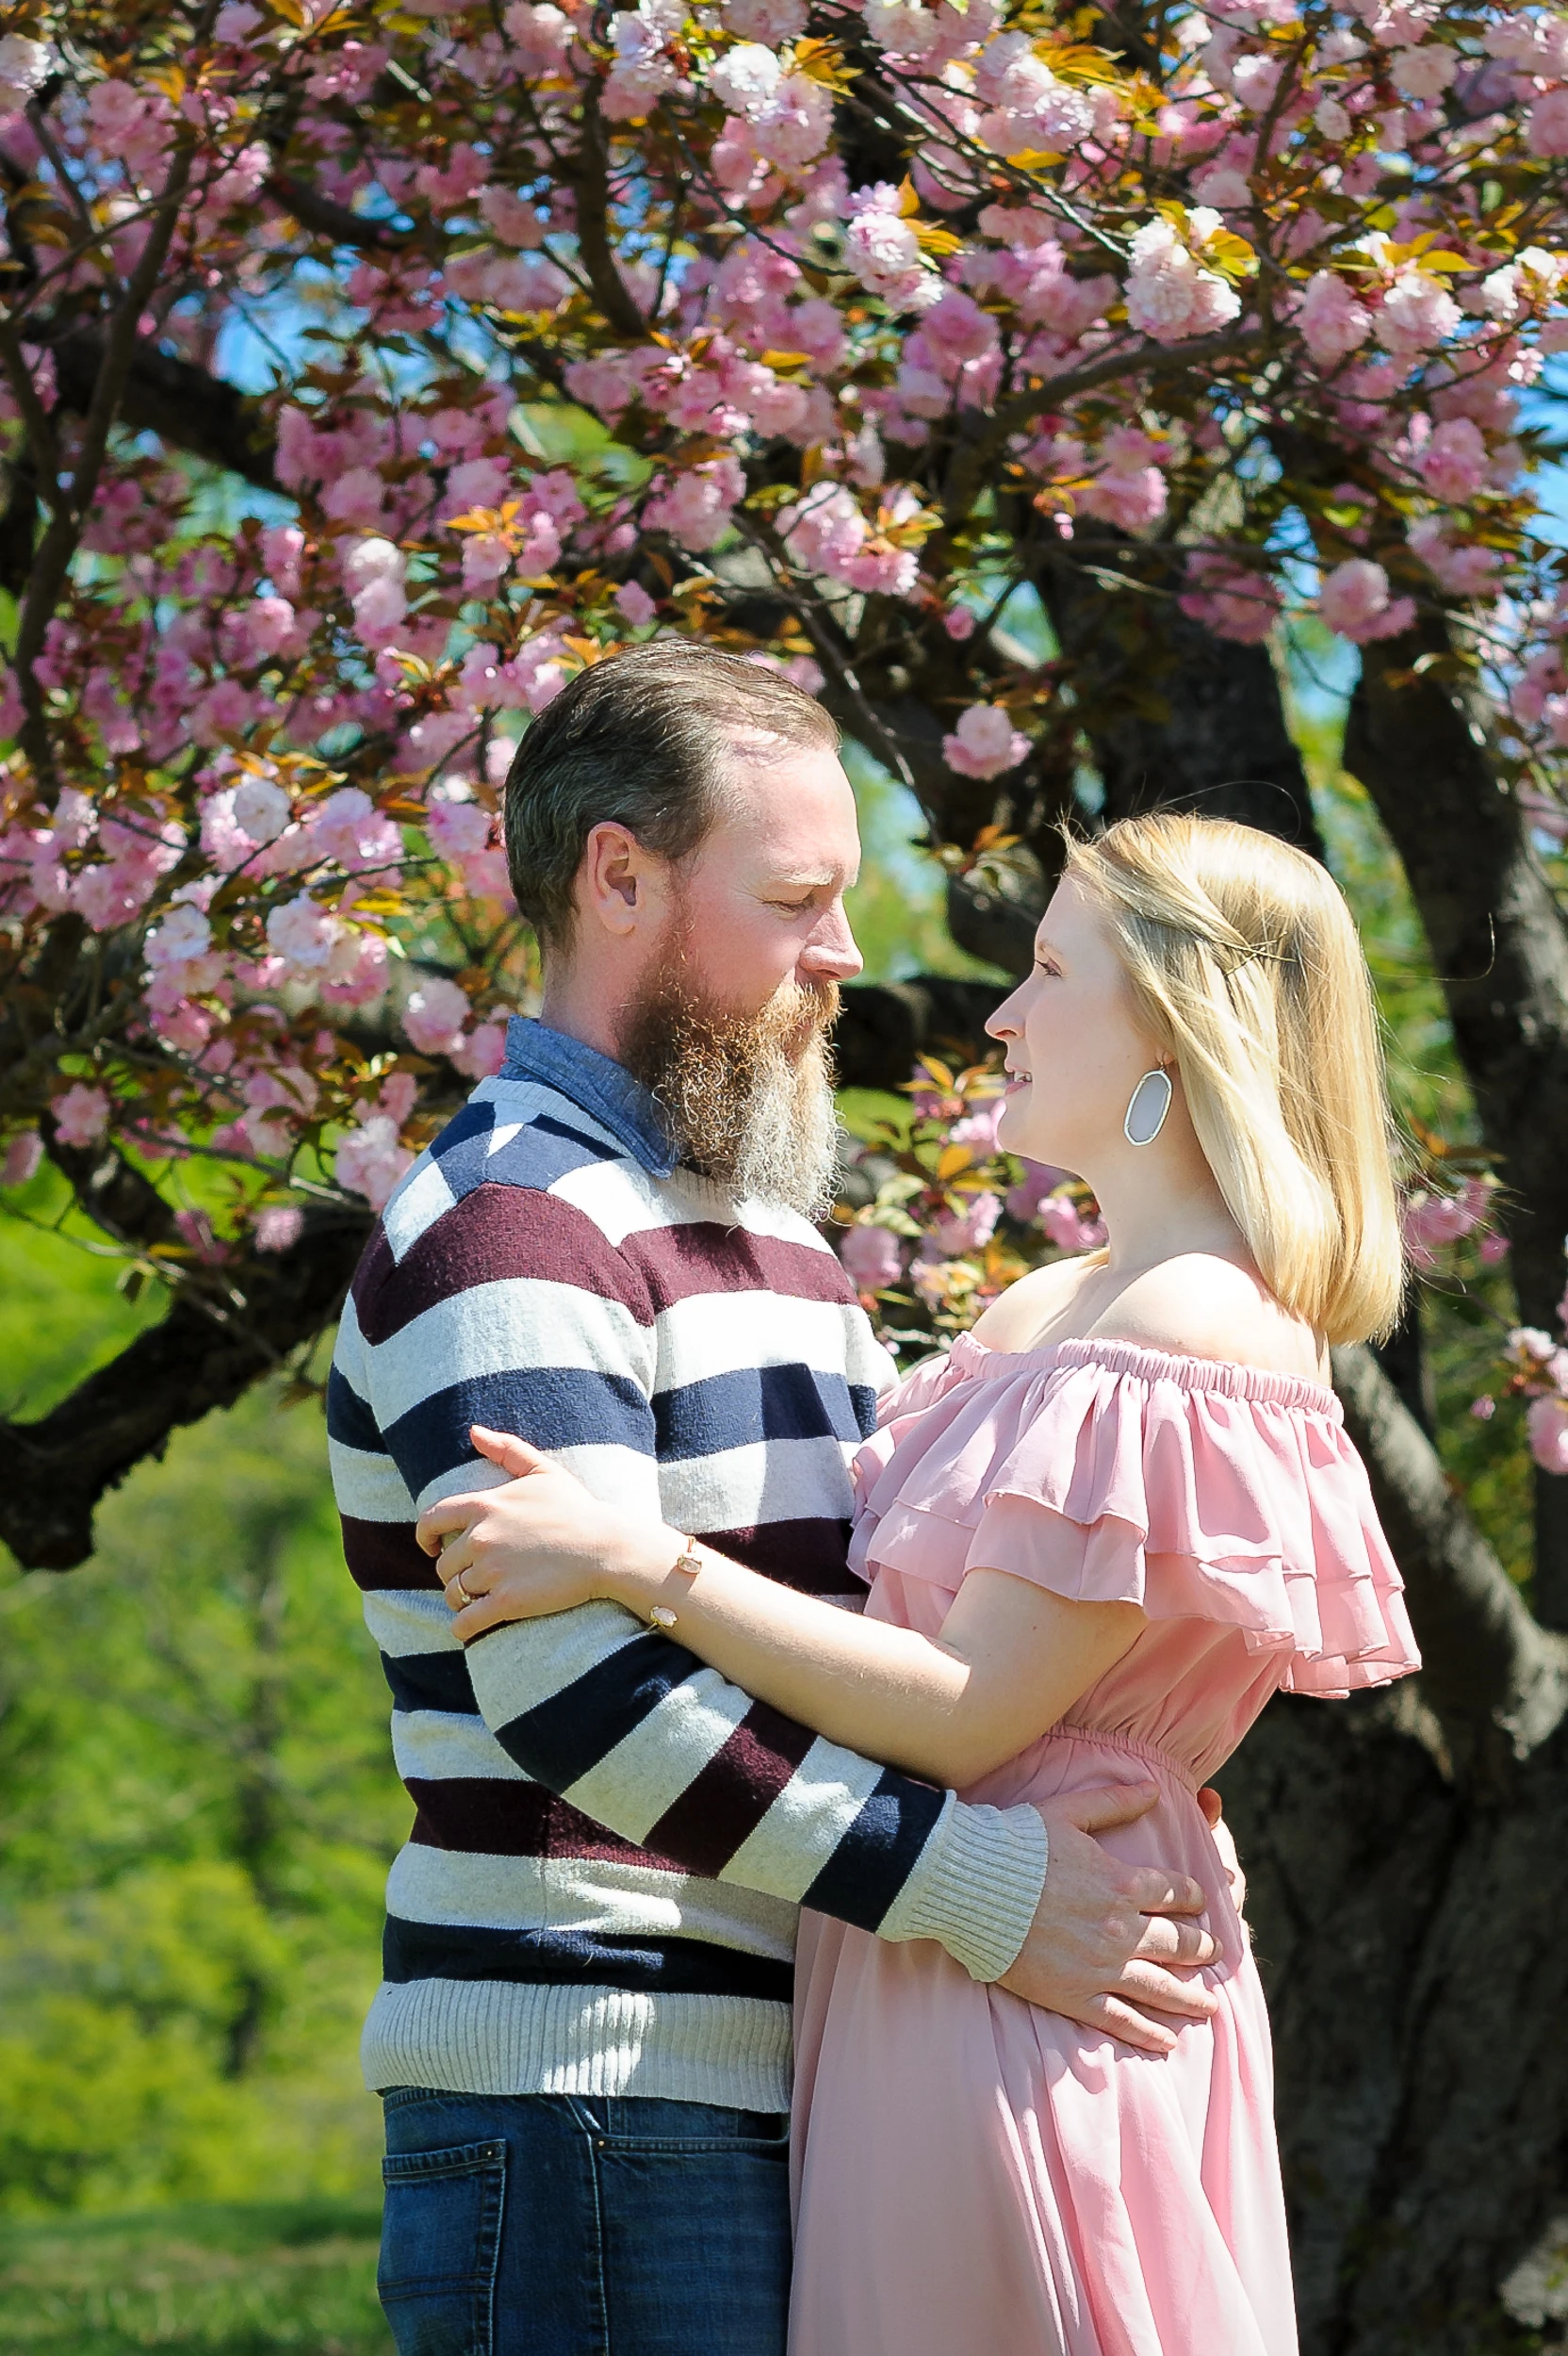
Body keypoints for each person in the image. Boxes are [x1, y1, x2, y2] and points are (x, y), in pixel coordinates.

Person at [423, 807, 1421, 2356]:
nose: (1003, 1016)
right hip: (933, 1934)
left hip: (1032, 1957)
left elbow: (964, 1712)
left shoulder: (1198, 1327)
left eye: (1049, 973)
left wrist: (639, 1558)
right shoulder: (1057, 1303)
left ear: (1177, 1021)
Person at [330, 645, 1222, 2356]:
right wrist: (990, 1892)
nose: (847, 953)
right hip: (590, 2084)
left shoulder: (779, 1238)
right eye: (798, 900)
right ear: (621, 880)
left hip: (776, 2077)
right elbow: (580, 1696)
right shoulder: (514, 1226)